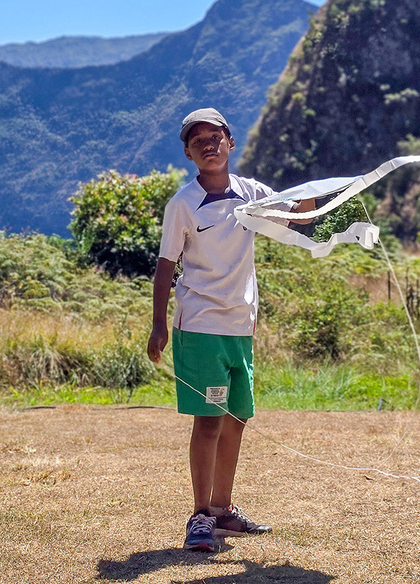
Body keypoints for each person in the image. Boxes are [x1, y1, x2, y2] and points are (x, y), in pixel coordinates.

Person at [147, 107, 313, 551]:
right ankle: (199, 516)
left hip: (241, 326)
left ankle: (223, 511)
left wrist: (334, 198)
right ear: (188, 152)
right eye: (197, 140)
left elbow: (295, 215)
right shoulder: (183, 204)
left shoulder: (252, 193)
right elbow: (165, 266)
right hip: (199, 325)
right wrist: (159, 324)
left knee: (237, 418)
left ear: (230, 142)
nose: (208, 144)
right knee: (209, 420)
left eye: (215, 136)